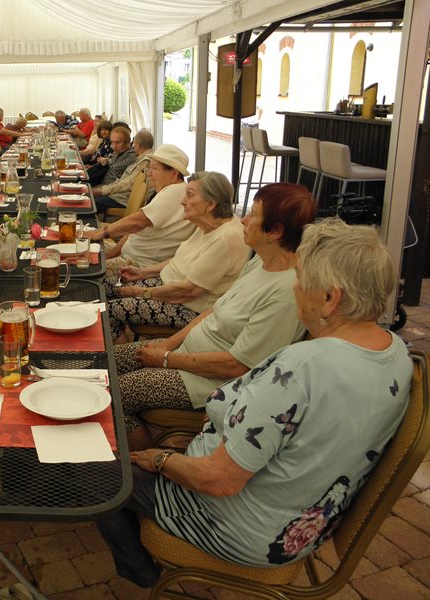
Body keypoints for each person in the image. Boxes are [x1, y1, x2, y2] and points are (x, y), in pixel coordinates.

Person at [97, 218, 411, 587]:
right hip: (299, 521)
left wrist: (161, 460)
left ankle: (140, 570)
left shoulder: (302, 368)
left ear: (330, 298)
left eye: (301, 280)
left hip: (234, 525)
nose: (295, 289)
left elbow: (217, 480)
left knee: (96, 471)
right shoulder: (398, 354)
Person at [116, 183, 316, 450]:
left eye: (253, 215)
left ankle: (135, 460)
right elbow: (214, 310)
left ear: (275, 231)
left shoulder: (285, 293)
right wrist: (167, 345)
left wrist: (166, 359)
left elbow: (239, 366)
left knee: (115, 393)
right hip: (184, 355)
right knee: (108, 358)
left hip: (205, 381)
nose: (243, 219)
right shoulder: (261, 261)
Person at [106, 171, 248, 341]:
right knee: (106, 286)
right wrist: (143, 272)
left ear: (210, 204)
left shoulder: (226, 238)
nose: (182, 201)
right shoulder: (207, 224)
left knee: (109, 311)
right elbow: (179, 260)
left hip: (188, 307)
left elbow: (189, 290)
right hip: (168, 286)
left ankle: (112, 360)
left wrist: (142, 292)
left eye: (190, 195)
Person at [90, 144, 193, 279]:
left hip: (138, 264)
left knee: (82, 268)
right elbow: (133, 229)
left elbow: (136, 222)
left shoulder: (176, 191)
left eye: (155, 168)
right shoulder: (165, 191)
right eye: (149, 167)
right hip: (127, 255)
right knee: (79, 251)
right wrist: (110, 254)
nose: (149, 173)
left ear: (173, 173)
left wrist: (100, 233)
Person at [93, 129, 154, 213]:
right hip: (120, 195)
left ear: (138, 145)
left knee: (90, 203)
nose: (133, 146)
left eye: (134, 144)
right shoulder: (142, 158)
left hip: (123, 199)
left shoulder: (145, 161)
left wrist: (102, 191)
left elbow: (127, 184)